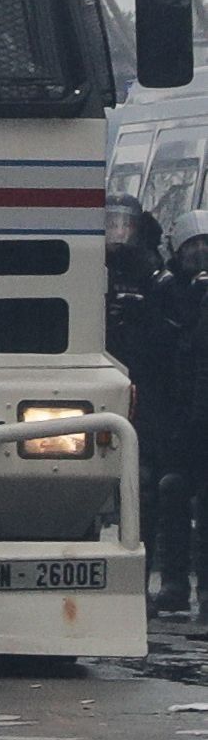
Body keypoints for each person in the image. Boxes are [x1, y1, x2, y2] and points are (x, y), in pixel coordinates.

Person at [152, 213, 208, 617]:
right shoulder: (165, 290)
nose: (200, 251)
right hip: (177, 415)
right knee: (171, 491)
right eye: (193, 245)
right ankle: (173, 583)